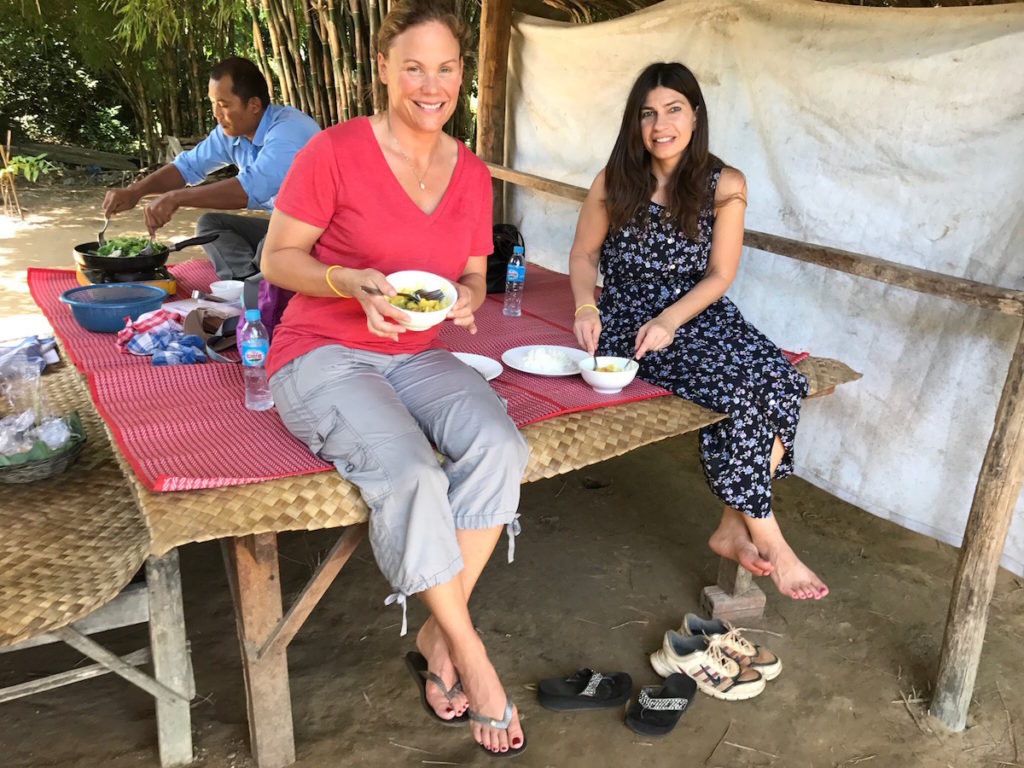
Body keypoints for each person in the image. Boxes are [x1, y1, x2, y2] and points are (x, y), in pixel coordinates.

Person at [259, 0, 528, 756]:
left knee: (500, 445)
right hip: (321, 351)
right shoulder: (335, 151)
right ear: (383, 69)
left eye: (445, 69)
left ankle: (439, 644)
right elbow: (276, 259)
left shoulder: (470, 170)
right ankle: (469, 655)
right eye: (413, 67)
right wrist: (347, 282)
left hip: (417, 352)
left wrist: (470, 299)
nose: (430, 84)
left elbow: (473, 275)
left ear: (461, 76)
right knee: (411, 472)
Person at [569, 62, 828, 601]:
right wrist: (582, 307)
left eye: (673, 110)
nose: (660, 124)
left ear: (695, 115)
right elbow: (584, 253)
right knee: (738, 393)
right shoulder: (612, 181)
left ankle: (733, 524)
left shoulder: (725, 184)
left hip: (696, 313)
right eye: (648, 113)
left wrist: (673, 318)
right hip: (634, 322)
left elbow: (720, 274)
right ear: (634, 122)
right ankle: (769, 536)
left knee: (781, 382)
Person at [102, 57, 320, 280]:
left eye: (224, 105)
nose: (216, 113)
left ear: (253, 105)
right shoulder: (232, 133)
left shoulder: (289, 131)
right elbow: (186, 167)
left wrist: (176, 198)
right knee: (211, 226)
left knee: (271, 244)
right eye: (213, 103)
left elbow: (251, 188)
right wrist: (135, 192)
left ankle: (261, 284)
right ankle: (245, 283)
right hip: (283, 229)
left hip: (322, 233)